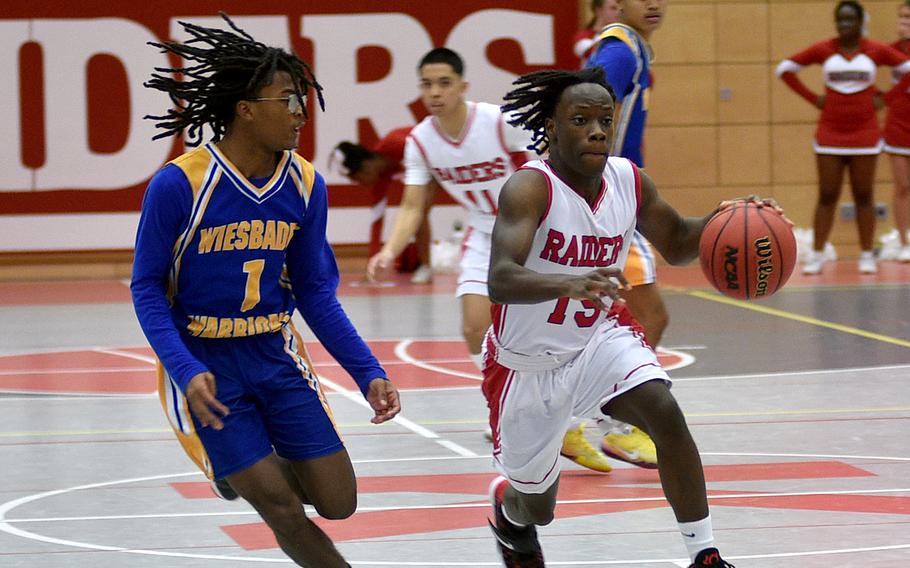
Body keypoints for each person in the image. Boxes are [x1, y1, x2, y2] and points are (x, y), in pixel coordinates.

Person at [131, 14, 400, 568]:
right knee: (281, 509)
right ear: (245, 109)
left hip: (274, 352)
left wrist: (368, 371)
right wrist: (183, 367)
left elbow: (316, 293)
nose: (302, 112)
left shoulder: (304, 183)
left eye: (302, 98)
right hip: (205, 361)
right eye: (288, 100)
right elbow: (146, 290)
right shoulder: (180, 183)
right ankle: (243, 468)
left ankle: (240, 469)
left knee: (338, 501)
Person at [484, 66, 741, 568]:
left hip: (598, 336)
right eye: (581, 120)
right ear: (553, 128)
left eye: (606, 119)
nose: (597, 130)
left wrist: (727, 218)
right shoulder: (530, 188)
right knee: (537, 507)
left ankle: (705, 555)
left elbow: (680, 244)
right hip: (525, 365)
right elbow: (501, 278)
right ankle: (510, 516)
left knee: (664, 413)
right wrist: (569, 282)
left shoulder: (629, 180)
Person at [366, 47, 614, 473]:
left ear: (462, 86)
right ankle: (511, 402)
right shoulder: (421, 140)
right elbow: (411, 205)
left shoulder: (499, 122)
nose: (435, 92)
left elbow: (551, 164)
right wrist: (389, 251)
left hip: (536, 229)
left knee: (558, 332)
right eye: (427, 84)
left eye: (444, 83)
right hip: (485, 232)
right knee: (474, 326)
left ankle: (591, 417)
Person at [582, 0, 670, 468]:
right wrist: (592, 185)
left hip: (612, 196)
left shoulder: (631, 49)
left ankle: (563, 421)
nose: (654, 3)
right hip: (608, 200)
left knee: (589, 320)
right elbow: (584, 110)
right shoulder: (621, 53)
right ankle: (614, 424)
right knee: (649, 316)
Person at [777, 0, 910, 275]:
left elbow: (907, 69)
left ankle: (865, 254)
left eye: (850, 20)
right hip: (830, 133)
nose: (844, 25)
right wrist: (814, 98)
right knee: (827, 195)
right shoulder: (825, 49)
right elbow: (785, 69)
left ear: (861, 22)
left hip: (865, 132)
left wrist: (886, 99)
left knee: (864, 195)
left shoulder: (875, 50)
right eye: (840, 20)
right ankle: (816, 253)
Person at [332, 129, 435, 283]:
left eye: (359, 179)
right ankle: (426, 266)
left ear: (366, 166)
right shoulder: (379, 180)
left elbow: (430, 144)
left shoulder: (395, 143)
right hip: (434, 169)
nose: (362, 185)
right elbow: (376, 223)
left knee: (419, 210)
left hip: (438, 158)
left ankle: (426, 265)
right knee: (419, 210)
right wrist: (371, 267)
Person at [884, 0, 910, 262]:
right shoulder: (890, 50)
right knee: (902, 185)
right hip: (898, 126)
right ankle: (904, 243)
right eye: (901, 17)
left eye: (909, 17)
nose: (904, 22)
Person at [571, 0, 621, 68]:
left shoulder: (625, 34)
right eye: (613, 8)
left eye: (620, 9)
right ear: (599, 10)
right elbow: (589, 52)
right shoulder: (582, 36)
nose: (618, 12)